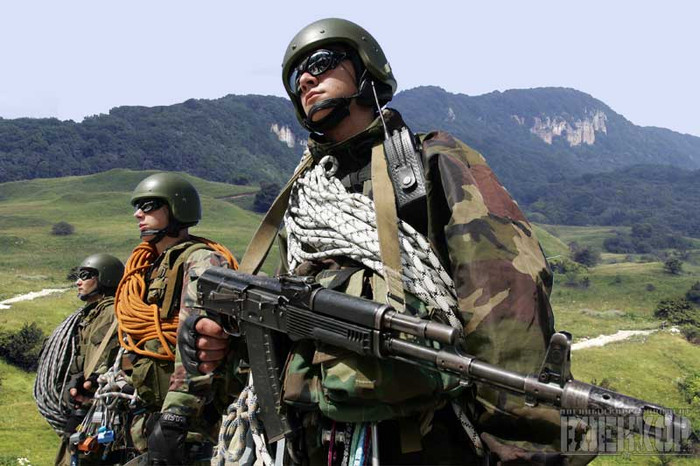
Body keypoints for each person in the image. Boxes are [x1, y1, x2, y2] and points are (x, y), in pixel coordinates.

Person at [184, 18, 592, 465]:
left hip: (425, 438)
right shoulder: (304, 197)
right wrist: (227, 341)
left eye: (321, 62)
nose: (305, 80)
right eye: (296, 76)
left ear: (367, 69)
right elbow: (291, 321)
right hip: (315, 439)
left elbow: (506, 301)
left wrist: (519, 448)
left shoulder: (427, 163)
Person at [112, 172, 238, 464]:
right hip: (148, 416)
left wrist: (176, 415)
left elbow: (198, 342)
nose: (138, 214)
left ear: (177, 208)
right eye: (137, 207)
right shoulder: (149, 266)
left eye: (149, 206)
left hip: (192, 426)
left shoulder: (202, 260)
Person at [54, 253, 125, 466]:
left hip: (99, 406)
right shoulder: (92, 315)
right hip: (86, 403)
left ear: (105, 278)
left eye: (85, 276)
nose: (78, 282)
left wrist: (89, 387)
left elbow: (106, 361)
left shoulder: (111, 314)